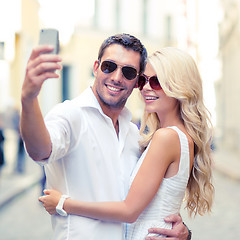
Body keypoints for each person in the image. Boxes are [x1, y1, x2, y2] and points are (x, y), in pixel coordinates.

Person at [20, 34, 190, 240]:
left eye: (128, 72)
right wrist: (29, 100)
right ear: (96, 67)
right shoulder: (71, 114)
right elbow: (39, 150)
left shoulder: (134, 135)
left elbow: (147, 203)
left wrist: (183, 233)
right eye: (109, 66)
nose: (117, 77)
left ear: (136, 82)